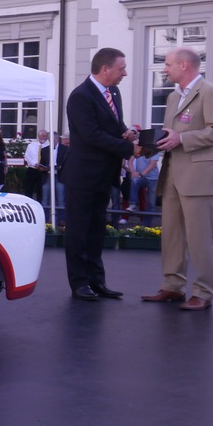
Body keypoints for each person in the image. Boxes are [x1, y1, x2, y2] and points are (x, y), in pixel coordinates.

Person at [141, 47, 213, 312]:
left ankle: (203, 291)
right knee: (172, 235)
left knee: (199, 238)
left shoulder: (211, 92)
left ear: (183, 65)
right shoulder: (172, 97)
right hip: (171, 174)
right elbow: (173, 132)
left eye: (167, 64)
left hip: (199, 176)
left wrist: (182, 138)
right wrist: (151, 141)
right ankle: (173, 285)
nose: (164, 69)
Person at [63, 47, 138, 301]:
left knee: (96, 230)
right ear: (105, 69)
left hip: (104, 174)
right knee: (78, 231)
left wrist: (128, 133)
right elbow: (92, 135)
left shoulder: (113, 92)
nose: (124, 74)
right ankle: (79, 283)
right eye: (121, 69)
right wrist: (129, 148)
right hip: (82, 176)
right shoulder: (80, 96)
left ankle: (97, 281)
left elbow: (114, 127)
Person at [128, 148, 161, 223]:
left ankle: (146, 224)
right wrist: (133, 172)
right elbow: (130, 162)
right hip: (141, 177)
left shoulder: (154, 151)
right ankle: (132, 204)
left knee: (151, 202)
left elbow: (152, 164)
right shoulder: (138, 149)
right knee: (134, 180)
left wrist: (142, 174)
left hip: (153, 178)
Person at [23, 130, 51, 203]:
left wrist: (45, 167)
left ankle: (40, 206)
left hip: (43, 171)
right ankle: (28, 204)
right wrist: (34, 164)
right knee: (29, 189)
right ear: (39, 136)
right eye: (42, 136)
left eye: (45, 136)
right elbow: (27, 157)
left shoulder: (50, 146)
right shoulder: (31, 145)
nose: (44, 137)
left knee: (41, 191)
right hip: (32, 169)